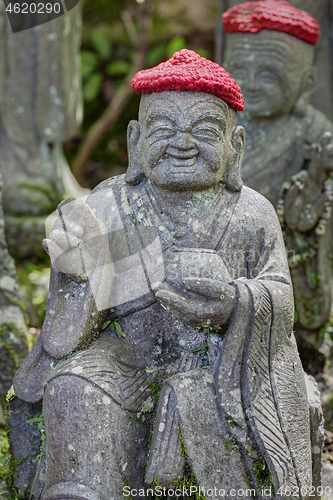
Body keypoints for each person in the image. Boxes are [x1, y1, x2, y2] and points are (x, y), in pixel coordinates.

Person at [12, 50, 312, 500]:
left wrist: (235, 301)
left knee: (227, 407)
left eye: (206, 131)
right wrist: (76, 276)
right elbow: (71, 333)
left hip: (219, 366)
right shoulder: (113, 204)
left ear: (237, 146)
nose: (183, 143)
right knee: (73, 383)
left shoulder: (253, 214)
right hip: (128, 356)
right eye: (163, 128)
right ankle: (79, 488)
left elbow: (281, 300)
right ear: (134, 143)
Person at [222, 0, 333, 372]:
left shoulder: (312, 130)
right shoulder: (219, 123)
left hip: (286, 246)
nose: (251, 84)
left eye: (269, 74)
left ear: (305, 83)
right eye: (239, 70)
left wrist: (316, 179)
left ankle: (302, 350)